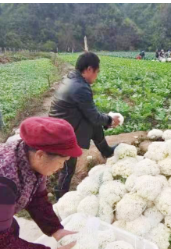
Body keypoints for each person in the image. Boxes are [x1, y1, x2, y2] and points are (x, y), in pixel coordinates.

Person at [0, 117, 82, 249]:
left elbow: (37, 199)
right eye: (62, 161)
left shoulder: (28, 157)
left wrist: (55, 229)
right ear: (40, 155)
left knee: (11, 229)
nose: (61, 167)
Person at [49, 52, 121, 200]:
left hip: (62, 123)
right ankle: (60, 195)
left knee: (93, 125)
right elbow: (94, 116)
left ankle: (106, 151)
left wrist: (106, 120)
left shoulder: (72, 78)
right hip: (62, 132)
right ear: (89, 69)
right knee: (69, 165)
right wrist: (110, 120)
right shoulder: (81, 88)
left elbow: (90, 113)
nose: (97, 75)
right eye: (97, 72)